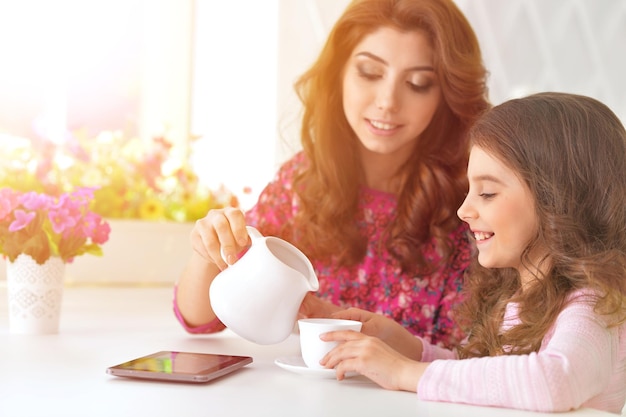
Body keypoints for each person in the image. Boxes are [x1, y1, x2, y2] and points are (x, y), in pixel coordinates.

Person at [174, 0, 490, 348]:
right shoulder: (303, 183)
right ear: (338, 74)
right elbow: (199, 321)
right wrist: (208, 252)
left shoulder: (471, 202)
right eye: (370, 73)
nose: (387, 101)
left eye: (417, 84)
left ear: (446, 95)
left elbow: (473, 358)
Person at [321, 92, 626, 414]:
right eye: (470, 191)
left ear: (559, 200)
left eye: (488, 193)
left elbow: (555, 381)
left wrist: (402, 371)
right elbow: (478, 375)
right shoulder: (517, 299)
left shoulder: (595, 305)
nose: (465, 210)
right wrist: (403, 347)